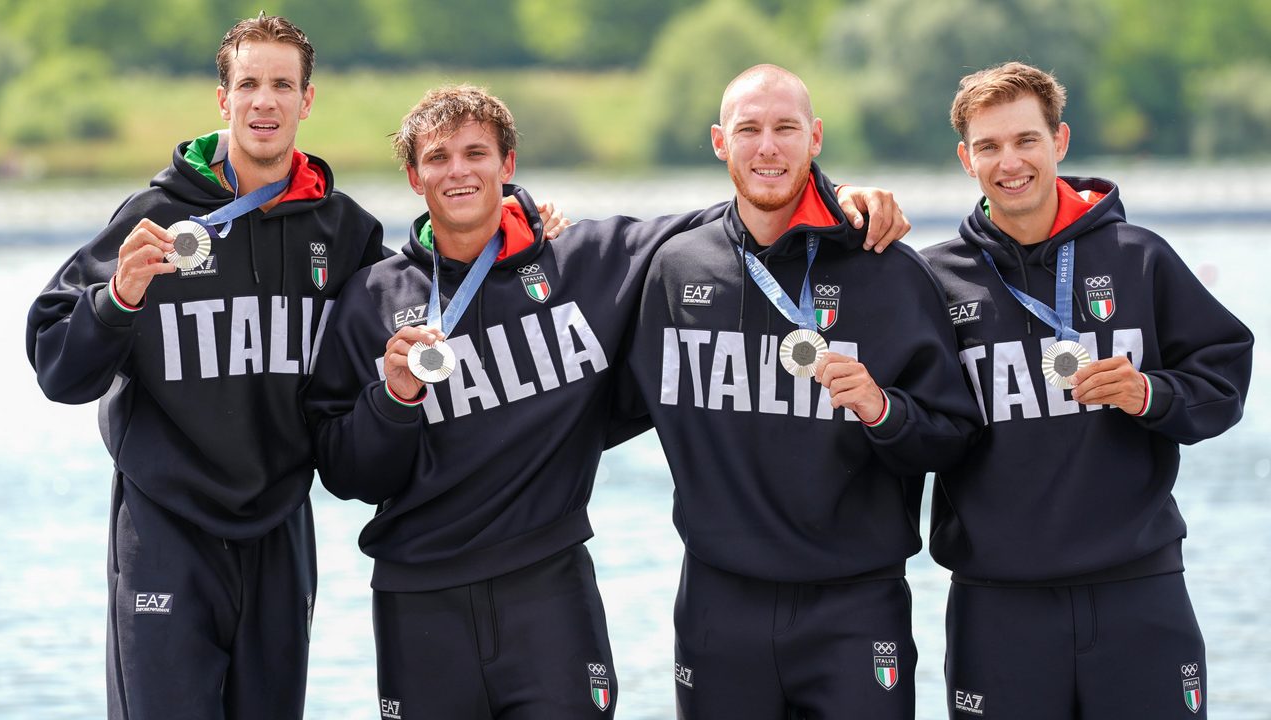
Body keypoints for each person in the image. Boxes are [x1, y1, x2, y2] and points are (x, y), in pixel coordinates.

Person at [302, 83, 909, 719]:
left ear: (507, 166)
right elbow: (346, 475)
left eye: (476, 153)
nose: (458, 171)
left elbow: (735, 216)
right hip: (417, 600)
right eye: (438, 157)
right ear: (412, 175)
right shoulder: (370, 301)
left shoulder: (586, 261)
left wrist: (840, 197)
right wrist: (394, 400)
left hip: (549, 591)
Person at [24, 14, 386, 719]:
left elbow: (420, 300)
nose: (264, 101)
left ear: (307, 100)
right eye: (248, 83)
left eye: (282, 85)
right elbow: (58, 372)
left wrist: (525, 228)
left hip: (280, 528)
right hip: (166, 528)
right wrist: (118, 297)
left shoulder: (342, 232)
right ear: (222, 98)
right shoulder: (155, 216)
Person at [624, 64, 981, 719]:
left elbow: (954, 440)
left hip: (854, 605)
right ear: (718, 141)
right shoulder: (675, 269)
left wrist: (883, 410)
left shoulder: (889, 269)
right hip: (717, 602)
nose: (768, 146)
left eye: (786, 128)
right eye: (749, 129)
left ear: (815, 138)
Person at [921, 61, 1253, 720]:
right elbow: (913, 417)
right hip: (998, 603)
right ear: (966, 158)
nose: (1009, 161)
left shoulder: (1139, 257)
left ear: (1060, 142)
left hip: (1138, 591)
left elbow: (1224, 376)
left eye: (1026, 140)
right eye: (988, 146)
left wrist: (1149, 395)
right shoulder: (933, 279)